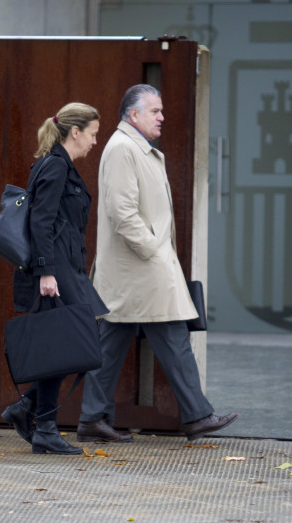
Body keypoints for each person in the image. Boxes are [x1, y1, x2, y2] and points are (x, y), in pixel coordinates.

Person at [77, 84, 238, 443]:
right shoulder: (122, 149)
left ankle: (92, 419)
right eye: (155, 111)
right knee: (172, 337)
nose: (162, 117)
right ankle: (197, 416)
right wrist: (154, 250)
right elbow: (122, 212)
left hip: (136, 271)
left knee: (113, 343)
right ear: (133, 115)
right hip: (141, 268)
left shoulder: (135, 148)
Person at [1, 102, 111, 455]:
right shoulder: (56, 166)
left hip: (66, 267)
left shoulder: (58, 165)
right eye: (92, 134)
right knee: (65, 344)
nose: (95, 141)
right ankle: (43, 425)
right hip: (56, 271)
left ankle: (29, 410)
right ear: (74, 132)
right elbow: (41, 222)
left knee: (68, 344)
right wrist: (46, 273)